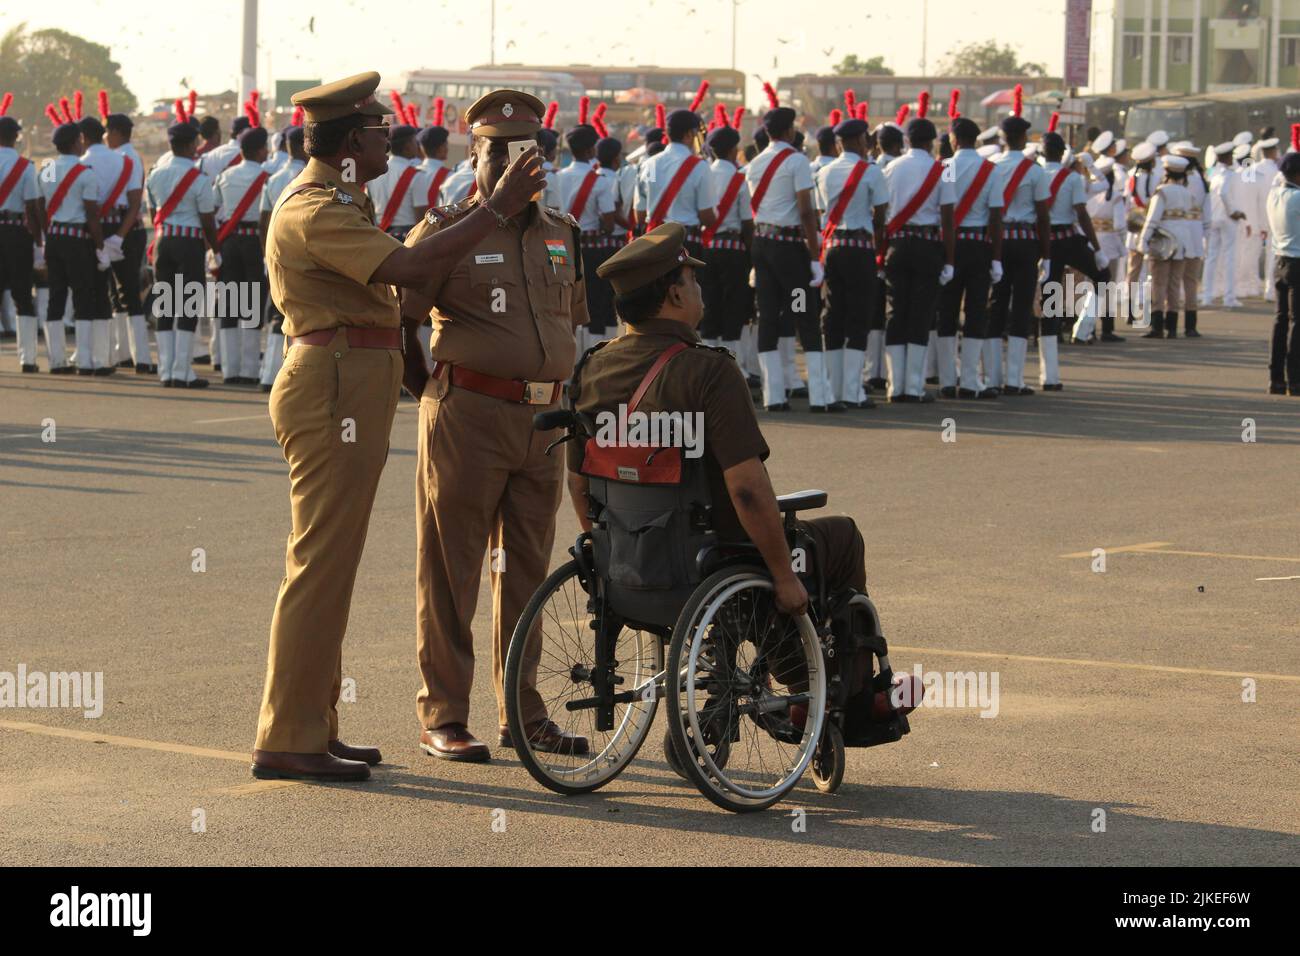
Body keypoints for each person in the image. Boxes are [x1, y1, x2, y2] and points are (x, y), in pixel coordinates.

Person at [250, 73, 548, 782]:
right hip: (332, 389)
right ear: (353, 141)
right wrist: (497, 209)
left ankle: (314, 725)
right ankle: (288, 734)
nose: (393, 137)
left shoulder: (344, 199)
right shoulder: (314, 208)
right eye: (382, 129)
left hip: (350, 386)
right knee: (319, 566)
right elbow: (411, 266)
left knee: (332, 567)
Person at [397, 89, 588, 764]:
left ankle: (523, 712)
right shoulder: (446, 231)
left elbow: (574, 324)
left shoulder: (560, 231)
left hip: (542, 421)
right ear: (472, 154)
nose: (514, 163)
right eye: (498, 150)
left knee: (529, 574)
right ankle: (444, 715)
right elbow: (403, 326)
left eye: (528, 150)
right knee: (452, 572)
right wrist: (436, 397)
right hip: (468, 417)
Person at [571, 221, 868, 620]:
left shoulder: (591, 368)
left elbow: (578, 481)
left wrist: (607, 552)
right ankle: (847, 680)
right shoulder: (708, 371)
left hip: (626, 566)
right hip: (711, 560)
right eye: (692, 279)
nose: (698, 288)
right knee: (841, 537)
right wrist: (783, 576)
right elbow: (746, 490)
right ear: (675, 293)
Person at [746, 105, 822, 410]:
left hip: (762, 246)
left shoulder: (755, 163)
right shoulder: (797, 160)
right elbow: (805, 211)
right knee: (803, 312)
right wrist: (815, 257)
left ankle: (773, 395)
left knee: (767, 316)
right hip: (790, 250)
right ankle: (820, 394)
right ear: (790, 130)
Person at [880, 116, 956, 403]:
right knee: (921, 314)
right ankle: (913, 387)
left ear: (908, 141)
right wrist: (949, 260)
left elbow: (883, 214)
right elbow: (947, 220)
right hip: (927, 245)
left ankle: (893, 385)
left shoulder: (891, 167)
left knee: (895, 312)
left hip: (897, 246)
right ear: (932, 141)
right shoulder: (942, 171)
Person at [814, 117, 888, 408]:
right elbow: (881, 216)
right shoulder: (871, 172)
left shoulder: (824, 171)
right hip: (860, 249)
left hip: (832, 248)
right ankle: (853, 390)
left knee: (833, 314)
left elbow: (823, 212)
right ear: (860, 141)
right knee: (859, 316)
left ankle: (833, 387)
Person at [143, 121, 218, 387]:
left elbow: (154, 214)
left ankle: (166, 371)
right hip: (189, 243)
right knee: (187, 306)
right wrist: (214, 249)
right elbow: (207, 220)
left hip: (164, 241)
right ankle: (182, 371)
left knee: (165, 305)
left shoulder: (155, 174)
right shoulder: (199, 178)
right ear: (189, 145)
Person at [938, 116, 1003, 399]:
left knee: (947, 312)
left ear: (953, 139)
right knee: (976, 312)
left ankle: (946, 380)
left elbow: (944, 212)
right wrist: (997, 258)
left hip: (948, 247)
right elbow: (996, 217)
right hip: (979, 246)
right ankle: (970, 381)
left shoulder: (945, 168)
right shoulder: (991, 170)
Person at [1037, 131, 1106, 388]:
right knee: (1103, 277)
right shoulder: (1072, 178)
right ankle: (1083, 327)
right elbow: (1082, 214)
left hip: (1043, 241)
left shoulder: (1035, 173)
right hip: (1068, 238)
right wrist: (1096, 249)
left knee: (1049, 303)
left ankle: (1049, 375)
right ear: (1062, 152)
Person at [988, 112, 1050, 395]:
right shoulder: (1034, 170)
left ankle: (991, 376)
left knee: (996, 305)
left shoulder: (988, 167)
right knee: (1021, 308)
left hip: (996, 241)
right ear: (1023, 138)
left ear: (1002, 139)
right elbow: (1043, 215)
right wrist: (1046, 254)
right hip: (1025, 242)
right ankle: (1014, 379)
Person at [41, 122, 106, 376]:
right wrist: (100, 246)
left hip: (54, 237)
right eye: (80, 141)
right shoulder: (85, 174)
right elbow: (92, 214)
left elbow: (38, 206)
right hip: (77, 239)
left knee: (56, 296)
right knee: (82, 295)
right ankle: (84, 359)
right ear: (73, 144)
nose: (82, 144)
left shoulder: (46, 170)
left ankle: (57, 360)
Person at [212, 125, 270, 384]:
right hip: (253, 242)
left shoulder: (225, 176)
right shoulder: (267, 175)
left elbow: (215, 208)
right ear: (260, 150)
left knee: (229, 302)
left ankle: (229, 369)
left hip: (229, 241)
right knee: (252, 304)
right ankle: (249, 369)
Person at [558, 119, 619, 354]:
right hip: (592, 250)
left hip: (561, 248)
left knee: (565, 302)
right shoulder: (600, 182)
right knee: (595, 305)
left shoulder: (557, 177)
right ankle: (591, 358)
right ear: (591, 150)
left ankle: (570, 361)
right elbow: (609, 223)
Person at [257, 124, 307, 392]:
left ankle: (268, 374)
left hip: (274, 252)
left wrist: (267, 255)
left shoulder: (273, 178)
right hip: (300, 254)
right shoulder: (307, 177)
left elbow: (263, 221)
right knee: (298, 312)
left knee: (276, 310)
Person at [698, 125, 753, 361]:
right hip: (733, 248)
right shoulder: (740, 178)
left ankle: (709, 359)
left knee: (709, 304)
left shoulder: (703, 173)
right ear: (733, 150)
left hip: (706, 247)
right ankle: (732, 363)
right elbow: (747, 222)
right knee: (733, 306)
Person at [0, 114, 49, 373]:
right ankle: (27, 358)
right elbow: (33, 207)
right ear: (16, 138)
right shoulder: (25, 167)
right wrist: (40, 241)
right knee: (22, 294)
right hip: (16, 232)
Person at [104, 111, 151, 372]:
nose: (105, 137)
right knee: (118, 293)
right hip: (124, 228)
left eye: (107, 132)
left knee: (129, 292)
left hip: (127, 229)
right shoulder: (125, 156)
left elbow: (131, 200)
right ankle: (124, 352)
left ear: (116, 132)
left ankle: (140, 356)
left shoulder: (125, 158)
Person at [1137, 155, 1198, 340]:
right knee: (1174, 284)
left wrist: (1143, 239)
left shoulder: (1162, 192)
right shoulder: (1187, 193)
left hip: (1163, 240)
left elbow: (1152, 218)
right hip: (1183, 240)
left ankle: (1157, 326)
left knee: (1158, 283)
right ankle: (1172, 327)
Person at [1265, 150, 1300, 394]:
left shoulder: (1274, 194)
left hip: (1280, 261)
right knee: (1297, 323)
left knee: (1280, 321)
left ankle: (1276, 378)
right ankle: (1295, 379)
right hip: (1298, 261)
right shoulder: (1297, 197)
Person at [1083, 155, 1128, 343]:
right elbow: (1120, 225)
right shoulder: (1115, 196)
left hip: (1090, 242)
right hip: (1110, 242)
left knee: (1089, 287)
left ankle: (1089, 328)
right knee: (1107, 287)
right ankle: (1107, 329)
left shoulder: (1088, 192)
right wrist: (1123, 242)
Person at [1202, 141, 1246, 309]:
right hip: (1227, 219)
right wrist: (1233, 211)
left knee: (1211, 258)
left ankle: (1207, 295)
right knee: (1229, 258)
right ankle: (1229, 297)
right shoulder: (1229, 174)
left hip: (1213, 218)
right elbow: (1224, 193)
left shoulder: (1212, 173)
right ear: (1227, 157)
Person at [367, 124, 427, 241]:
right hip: (408, 235)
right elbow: (421, 216)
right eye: (415, 142)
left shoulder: (374, 172)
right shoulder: (416, 175)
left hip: (380, 233)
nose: (417, 146)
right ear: (408, 146)